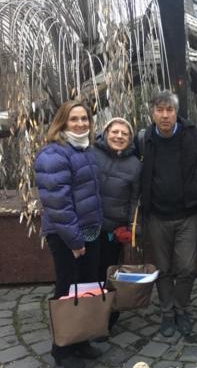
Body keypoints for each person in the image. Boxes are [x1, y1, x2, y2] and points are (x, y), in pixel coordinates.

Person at [35, 100, 103, 368]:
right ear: (62, 122)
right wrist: (75, 240)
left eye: (84, 119)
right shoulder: (54, 154)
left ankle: (81, 340)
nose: (81, 124)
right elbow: (58, 204)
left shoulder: (86, 149)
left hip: (90, 231)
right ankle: (62, 349)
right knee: (66, 289)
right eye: (74, 119)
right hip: (66, 235)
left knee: (86, 287)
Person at [137, 90, 197, 337]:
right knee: (164, 269)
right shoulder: (144, 138)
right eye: (160, 110)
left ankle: (182, 309)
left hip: (187, 215)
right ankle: (167, 313)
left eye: (169, 110)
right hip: (157, 216)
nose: (165, 115)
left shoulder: (194, 135)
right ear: (152, 113)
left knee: (187, 268)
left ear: (176, 113)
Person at [92, 117, 142, 333]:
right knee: (88, 275)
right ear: (106, 133)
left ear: (130, 139)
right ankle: (84, 318)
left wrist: (131, 228)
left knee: (109, 275)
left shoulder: (135, 165)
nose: (119, 136)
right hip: (89, 226)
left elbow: (135, 200)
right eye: (115, 132)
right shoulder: (92, 154)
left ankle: (107, 320)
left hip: (114, 229)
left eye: (124, 133)